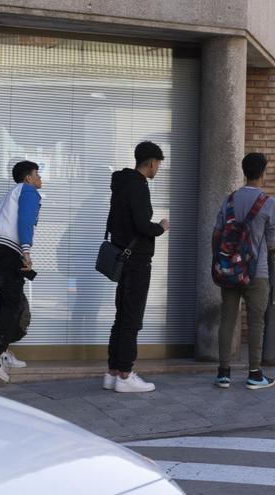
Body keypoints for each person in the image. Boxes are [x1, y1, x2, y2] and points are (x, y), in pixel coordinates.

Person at [103, 141, 169, 393]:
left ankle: (112, 372)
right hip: (137, 261)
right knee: (132, 318)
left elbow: (112, 223)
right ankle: (125, 374)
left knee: (122, 316)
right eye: (158, 164)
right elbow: (143, 225)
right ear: (151, 162)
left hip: (122, 257)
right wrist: (160, 227)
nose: (158, 169)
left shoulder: (119, 185)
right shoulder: (139, 187)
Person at [213, 153, 275, 390]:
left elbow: (217, 232)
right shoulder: (267, 202)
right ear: (262, 173)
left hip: (229, 269)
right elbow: (271, 242)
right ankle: (254, 373)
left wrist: (220, 261)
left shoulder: (229, 199)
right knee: (256, 322)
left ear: (244, 171)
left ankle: (223, 373)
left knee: (228, 319)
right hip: (256, 271)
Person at [0, 160, 42, 381]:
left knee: (8, 299)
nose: (40, 178)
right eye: (37, 174)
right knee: (12, 300)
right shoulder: (28, 191)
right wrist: (26, 251)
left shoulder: (11, 194)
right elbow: (25, 221)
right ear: (28, 177)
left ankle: (1, 349)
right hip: (8, 249)